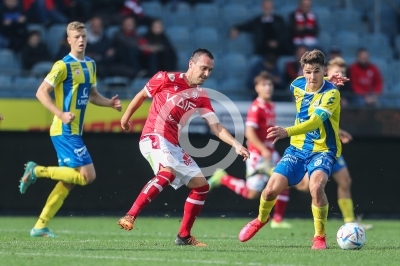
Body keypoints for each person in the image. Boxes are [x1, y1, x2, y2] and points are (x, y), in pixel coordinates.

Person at [116, 48, 250, 246]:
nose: (206, 74)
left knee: (202, 187)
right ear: (191, 64)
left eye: (210, 70)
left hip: (173, 144)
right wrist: (126, 118)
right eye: (203, 68)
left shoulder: (201, 96)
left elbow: (216, 127)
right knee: (167, 173)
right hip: (153, 136)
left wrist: (236, 144)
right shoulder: (165, 78)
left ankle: (184, 236)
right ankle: (130, 215)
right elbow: (141, 95)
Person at [18, 21, 122, 237]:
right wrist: (60, 114)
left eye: (83, 36)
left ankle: (40, 226)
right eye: (76, 37)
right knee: (87, 176)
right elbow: (41, 92)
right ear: (68, 40)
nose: (81, 40)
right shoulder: (62, 65)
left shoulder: (91, 65)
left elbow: (92, 95)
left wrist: (109, 104)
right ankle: (36, 170)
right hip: (64, 130)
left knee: (69, 181)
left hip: (75, 130)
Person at [238, 49, 348, 250]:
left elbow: (315, 122)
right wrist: (326, 77)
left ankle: (319, 237)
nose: (311, 76)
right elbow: (307, 80)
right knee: (270, 191)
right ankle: (261, 219)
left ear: (323, 69)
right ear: (302, 71)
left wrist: (286, 131)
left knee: (316, 188)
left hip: (323, 150)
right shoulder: (297, 84)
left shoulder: (331, 94)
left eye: (317, 71)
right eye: (308, 71)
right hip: (297, 149)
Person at [296, 57, 372, 230]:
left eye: (343, 72)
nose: (341, 75)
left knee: (345, 180)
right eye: (337, 72)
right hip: (315, 146)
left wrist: (338, 131)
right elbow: (313, 120)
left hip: (331, 146)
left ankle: (350, 222)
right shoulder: (318, 91)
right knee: (304, 186)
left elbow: (328, 120)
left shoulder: (336, 91)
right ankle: (283, 182)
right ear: (325, 72)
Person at [208, 71, 292, 229]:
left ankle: (277, 220)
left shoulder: (270, 105)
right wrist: (263, 149)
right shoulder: (256, 107)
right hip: (258, 155)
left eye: (270, 84)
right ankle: (222, 178)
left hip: (270, 152)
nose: (268, 88)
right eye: (264, 85)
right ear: (257, 88)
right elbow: (249, 133)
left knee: (285, 181)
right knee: (252, 193)